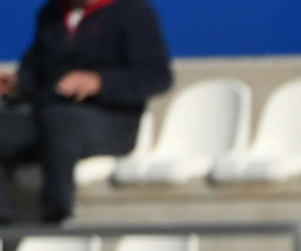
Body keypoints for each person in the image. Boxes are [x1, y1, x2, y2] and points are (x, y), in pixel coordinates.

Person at [0, 0, 172, 225]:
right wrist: (15, 85)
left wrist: (99, 82)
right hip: (47, 117)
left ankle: (56, 217)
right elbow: (37, 74)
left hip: (112, 122)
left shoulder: (133, 11)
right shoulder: (51, 14)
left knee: (60, 119)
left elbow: (157, 76)